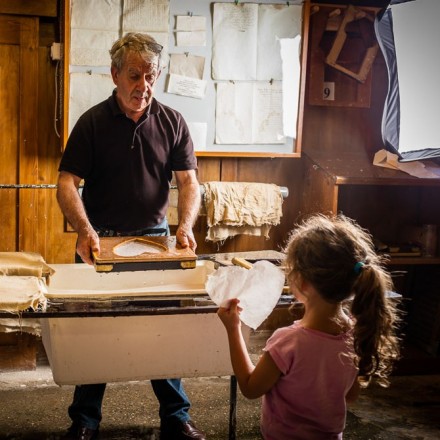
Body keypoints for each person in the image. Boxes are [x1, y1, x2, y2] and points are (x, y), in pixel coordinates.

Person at [56, 32, 205, 440]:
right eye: (135, 75)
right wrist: (84, 231)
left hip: (155, 239)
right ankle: (84, 421)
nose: (144, 86)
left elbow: (189, 182)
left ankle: (176, 417)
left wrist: (185, 226)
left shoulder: (172, 120)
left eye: (151, 76)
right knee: (95, 335)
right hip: (98, 241)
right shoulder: (92, 121)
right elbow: (67, 183)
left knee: (161, 330)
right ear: (115, 74)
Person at [218, 214, 402, 440]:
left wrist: (233, 328)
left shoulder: (288, 342)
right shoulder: (357, 333)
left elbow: (250, 387)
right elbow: (349, 395)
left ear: (303, 283)